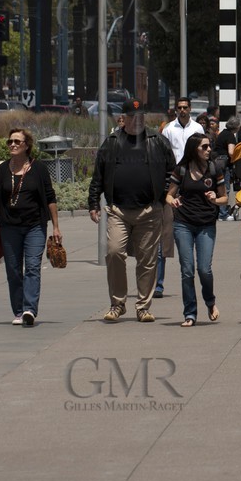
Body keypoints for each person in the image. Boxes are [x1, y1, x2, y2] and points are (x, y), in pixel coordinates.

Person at [88, 102, 175, 322]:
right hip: (118, 210)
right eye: (133, 116)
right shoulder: (112, 143)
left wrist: (163, 196)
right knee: (114, 252)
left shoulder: (157, 141)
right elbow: (98, 176)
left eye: (141, 116)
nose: (138, 120)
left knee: (147, 260)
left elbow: (172, 172)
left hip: (149, 210)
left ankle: (143, 307)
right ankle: (117, 304)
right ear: (123, 118)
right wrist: (93, 203)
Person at [0, 128, 61, 327]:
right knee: (13, 270)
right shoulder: (3, 169)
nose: (12, 144)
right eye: (10, 141)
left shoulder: (39, 169)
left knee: (33, 267)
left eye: (17, 141)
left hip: (35, 226)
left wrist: (56, 227)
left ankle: (29, 309)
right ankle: (18, 311)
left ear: (27, 145)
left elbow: (50, 198)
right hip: (9, 227)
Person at [168, 135, 226, 326]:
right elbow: (169, 195)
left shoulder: (214, 169)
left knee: (204, 269)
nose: (209, 150)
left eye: (210, 146)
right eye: (205, 147)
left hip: (206, 224)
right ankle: (190, 313)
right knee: (187, 270)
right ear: (194, 149)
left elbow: (225, 198)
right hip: (183, 223)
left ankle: (210, 302)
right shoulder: (182, 169)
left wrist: (215, 199)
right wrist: (173, 201)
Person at [161, 98, 205, 163]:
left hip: (192, 166)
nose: (182, 110)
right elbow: (163, 149)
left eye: (185, 107)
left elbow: (203, 147)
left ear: (190, 108)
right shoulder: (168, 128)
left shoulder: (198, 128)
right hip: (175, 166)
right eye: (179, 108)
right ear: (176, 109)